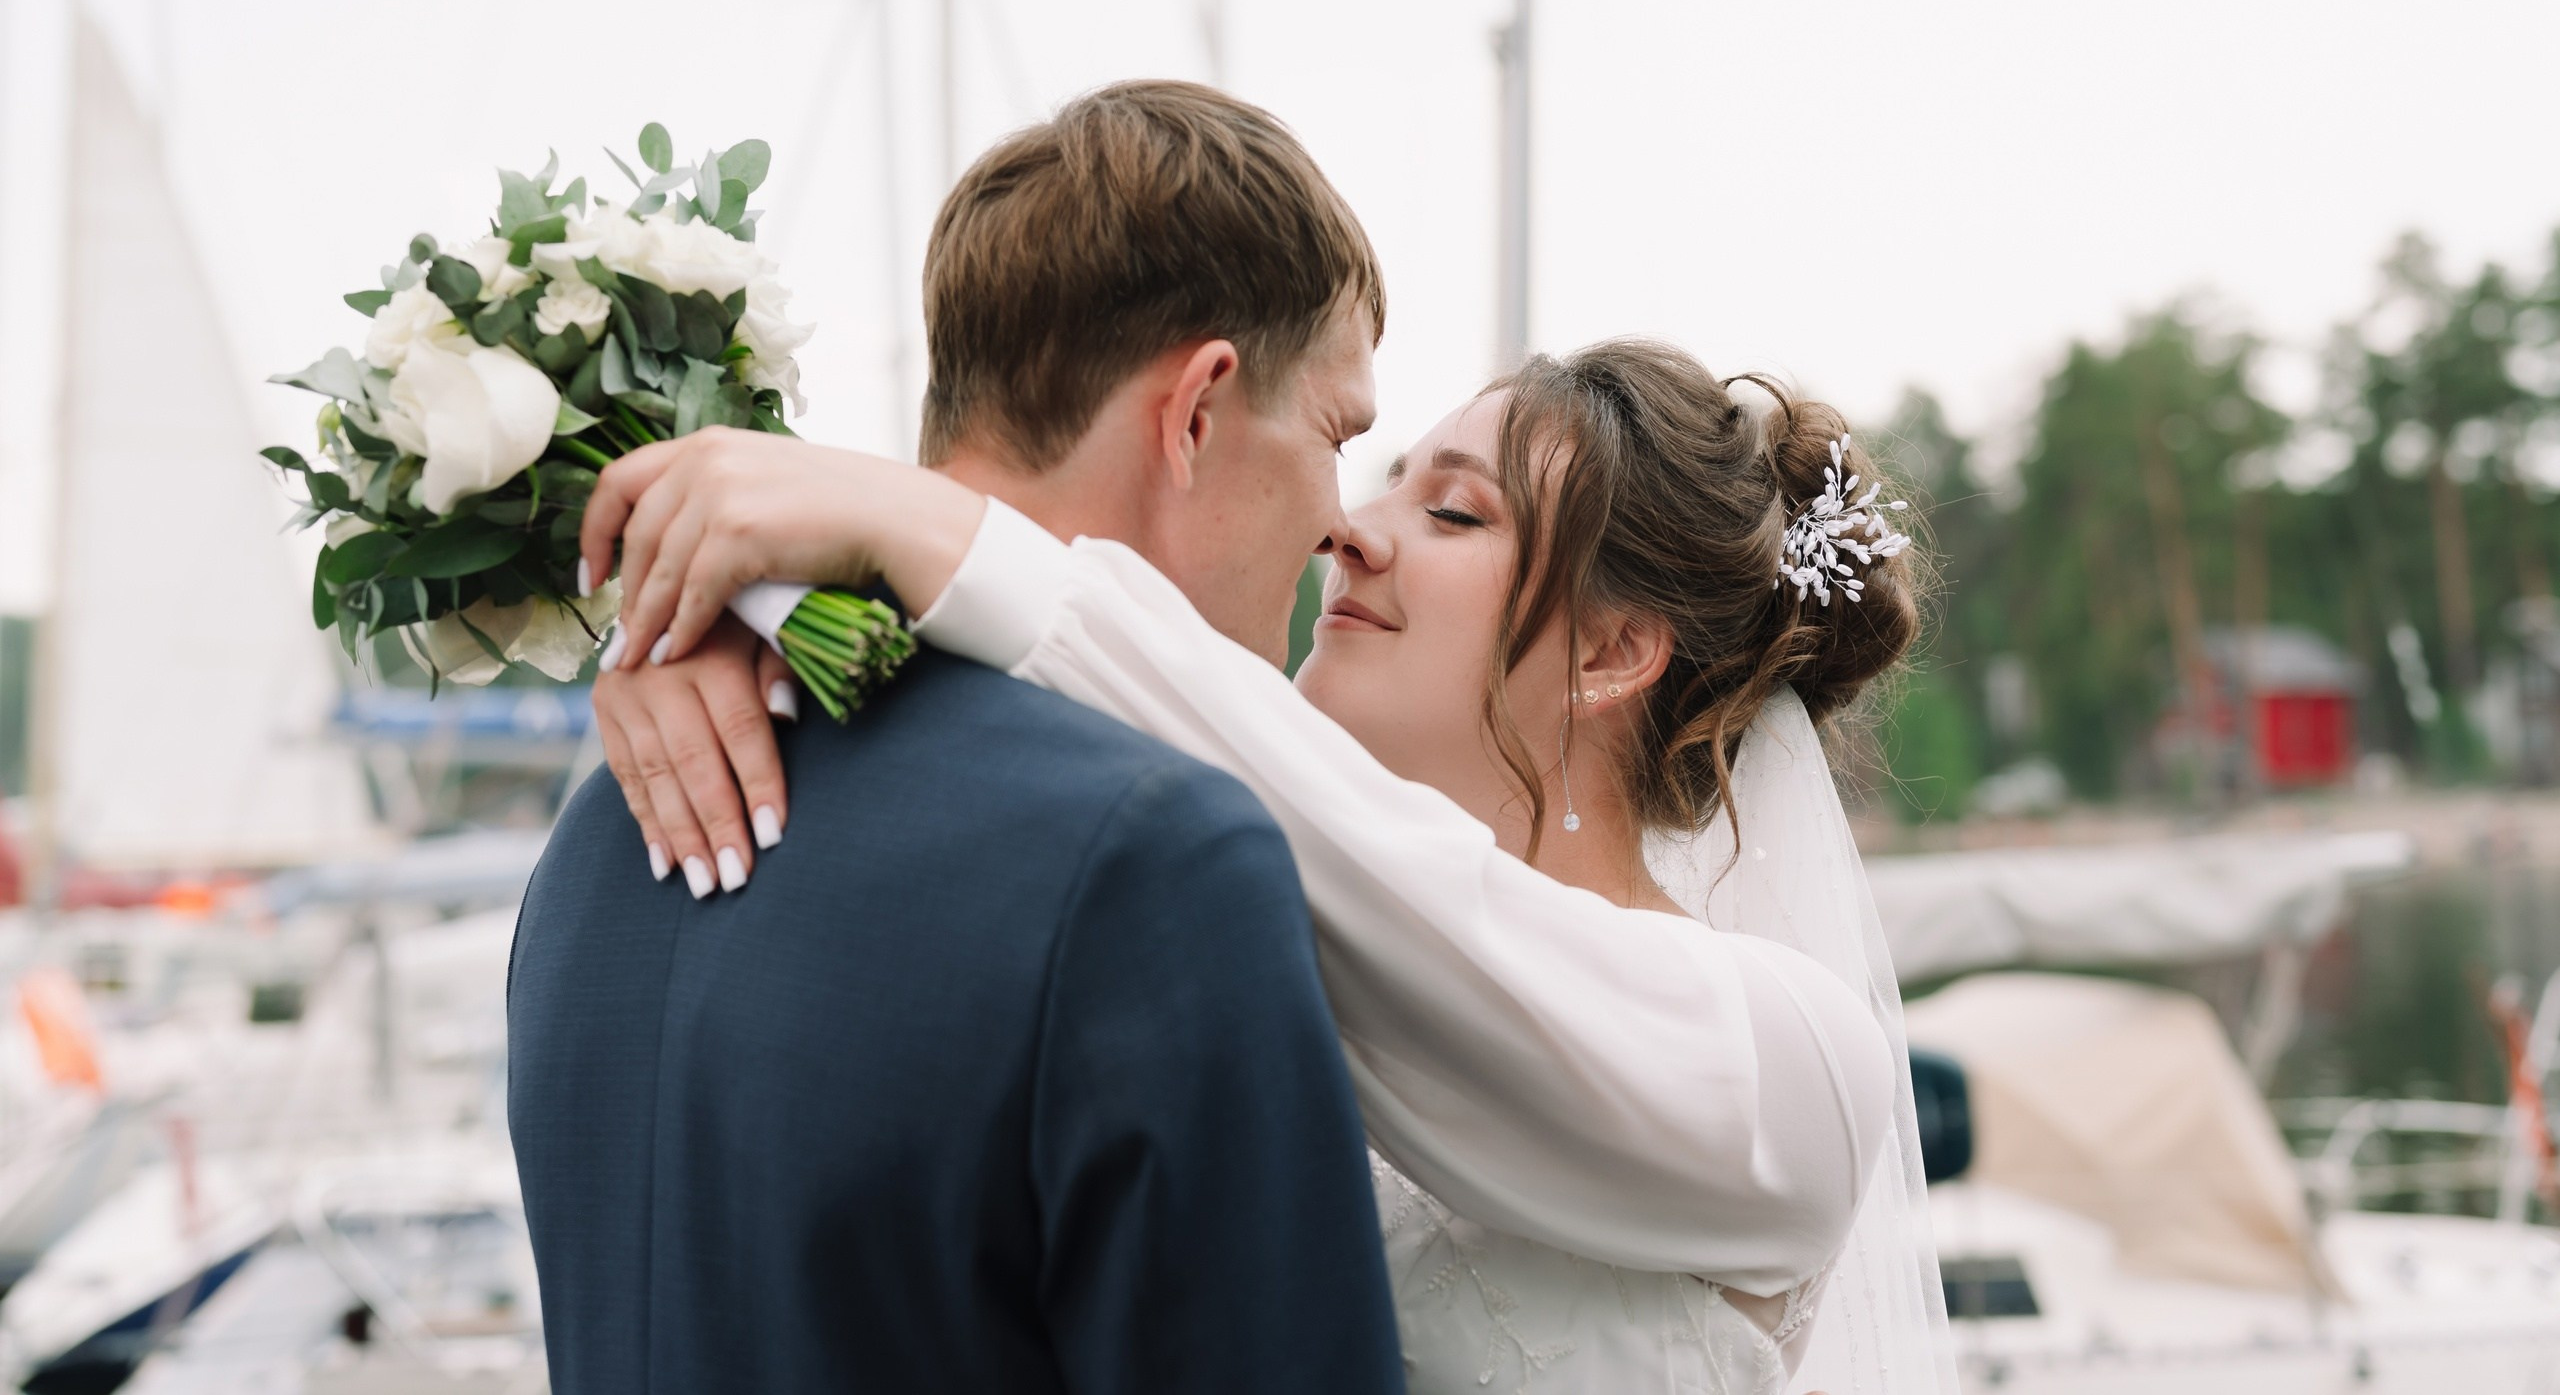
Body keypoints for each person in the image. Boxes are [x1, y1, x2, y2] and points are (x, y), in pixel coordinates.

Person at [585, 324, 1957, 1384]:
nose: (1349, 532)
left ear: (1610, 654)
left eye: (1456, 513)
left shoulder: (1793, 1064)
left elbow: (1402, 887)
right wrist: (711, 628)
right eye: (1383, 482)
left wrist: (921, 528)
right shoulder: (1260, 930)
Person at [505, 82, 1408, 1393]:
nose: (1340, 522)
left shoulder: (604, 835)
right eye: (1338, 431)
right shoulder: (1158, 858)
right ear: (1198, 411)